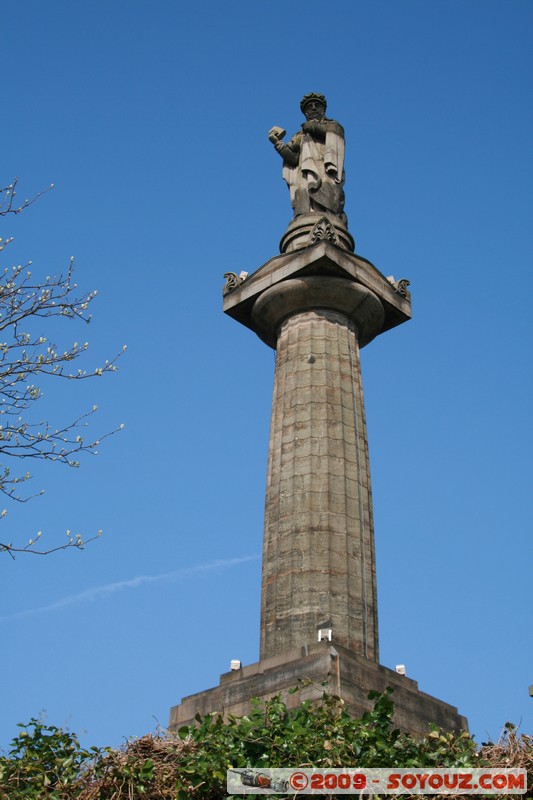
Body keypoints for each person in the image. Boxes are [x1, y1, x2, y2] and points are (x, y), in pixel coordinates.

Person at [268, 93, 347, 224]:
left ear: (323, 109)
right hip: (303, 174)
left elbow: (334, 132)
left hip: (326, 173)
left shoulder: (333, 125)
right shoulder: (300, 135)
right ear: (305, 112)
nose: (314, 108)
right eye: (310, 107)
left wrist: (311, 127)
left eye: (317, 106)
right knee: (303, 198)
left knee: (328, 200)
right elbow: (293, 159)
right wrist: (277, 143)